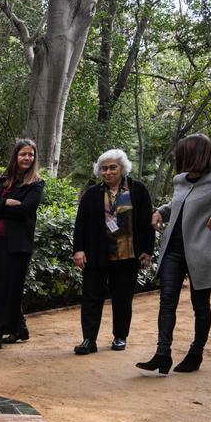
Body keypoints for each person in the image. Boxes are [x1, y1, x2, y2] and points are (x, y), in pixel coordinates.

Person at [137, 133, 211, 376]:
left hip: (202, 251)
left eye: (182, 154)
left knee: (200, 305)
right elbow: (179, 206)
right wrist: (160, 210)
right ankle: (162, 353)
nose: (178, 158)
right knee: (167, 300)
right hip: (173, 250)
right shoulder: (180, 180)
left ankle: (196, 353)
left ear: (195, 155)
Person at [71, 149, 154, 354]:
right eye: (103, 168)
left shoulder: (138, 190)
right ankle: (89, 339)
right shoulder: (92, 193)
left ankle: (120, 336)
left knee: (123, 297)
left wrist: (147, 251)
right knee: (91, 297)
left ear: (122, 168)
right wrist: (79, 249)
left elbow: (146, 222)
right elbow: (80, 223)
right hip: (96, 253)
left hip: (126, 254)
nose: (107, 172)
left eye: (112, 167)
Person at [0, 138, 45, 351]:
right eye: (23, 154)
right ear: (15, 156)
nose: (27, 158)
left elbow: (26, 209)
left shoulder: (36, 184)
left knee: (9, 289)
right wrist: (5, 202)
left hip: (16, 245)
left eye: (31, 155)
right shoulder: (1, 179)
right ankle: (20, 329)